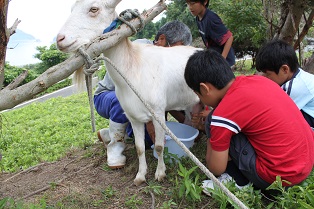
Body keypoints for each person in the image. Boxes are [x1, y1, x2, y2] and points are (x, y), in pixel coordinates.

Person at [184, 49, 314, 194]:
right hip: (304, 166)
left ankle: (238, 181)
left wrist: (212, 132)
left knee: (212, 119)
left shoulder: (221, 115)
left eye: (198, 94)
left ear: (204, 88)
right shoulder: (259, 80)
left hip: (278, 180)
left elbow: (216, 168)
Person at [94, 20, 194, 169]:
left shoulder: (164, 62)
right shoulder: (138, 47)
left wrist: (187, 123)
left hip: (139, 101)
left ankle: (112, 134)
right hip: (108, 96)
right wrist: (149, 121)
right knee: (123, 100)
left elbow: (161, 101)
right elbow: (134, 91)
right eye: (176, 48)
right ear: (161, 39)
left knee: (148, 140)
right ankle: (115, 147)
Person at [256, 39, 314, 128]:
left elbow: (271, 113)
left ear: (284, 69)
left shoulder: (295, 87)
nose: (265, 78)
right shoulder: (299, 75)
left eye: (268, 74)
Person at [185, 0, 235, 67]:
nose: (190, 7)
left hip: (225, 62)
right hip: (214, 59)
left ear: (205, 2)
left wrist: (222, 60)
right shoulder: (198, 18)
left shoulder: (211, 18)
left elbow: (229, 37)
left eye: (193, 3)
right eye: (188, 4)